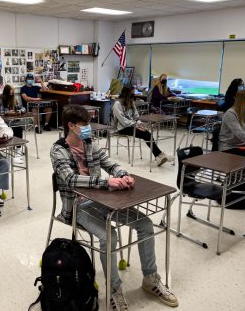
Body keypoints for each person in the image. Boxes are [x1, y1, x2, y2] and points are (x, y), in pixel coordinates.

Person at [50, 105, 178, 310]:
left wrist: (122, 174)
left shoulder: (89, 143)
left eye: (89, 124)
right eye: (84, 125)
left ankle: (151, 279)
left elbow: (109, 163)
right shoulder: (58, 150)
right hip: (77, 206)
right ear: (71, 126)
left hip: (102, 199)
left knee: (145, 223)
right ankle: (114, 289)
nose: (88, 128)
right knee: (109, 236)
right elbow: (71, 180)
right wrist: (106, 183)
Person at [112, 86, 172, 166]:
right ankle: (159, 155)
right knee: (146, 134)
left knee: (146, 133)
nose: (133, 95)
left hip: (132, 125)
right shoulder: (117, 104)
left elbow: (136, 116)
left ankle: (158, 156)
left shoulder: (131, 102)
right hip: (122, 128)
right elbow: (124, 121)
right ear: (126, 94)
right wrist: (136, 125)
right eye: (132, 93)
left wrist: (140, 124)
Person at [0, 84, 26, 164]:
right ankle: (9, 152)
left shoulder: (15, 99)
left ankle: (18, 150)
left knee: (19, 129)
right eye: (10, 93)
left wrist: (19, 111)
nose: (11, 94)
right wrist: (6, 112)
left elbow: (23, 108)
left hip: (14, 121)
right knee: (9, 132)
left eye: (12, 92)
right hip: (3, 122)